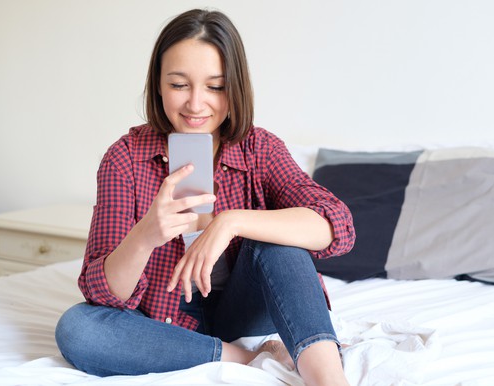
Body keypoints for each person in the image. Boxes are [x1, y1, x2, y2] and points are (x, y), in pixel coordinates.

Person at [55, 8, 355, 386]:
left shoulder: (259, 149)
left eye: (215, 86)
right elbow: (102, 294)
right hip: (164, 316)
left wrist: (231, 222)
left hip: (244, 307)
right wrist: (146, 234)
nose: (196, 105)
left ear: (236, 87)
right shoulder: (125, 158)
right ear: (158, 85)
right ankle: (246, 358)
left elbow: (336, 224)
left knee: (281, 242)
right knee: (77, 328)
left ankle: (329, 380)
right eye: (179, 85)